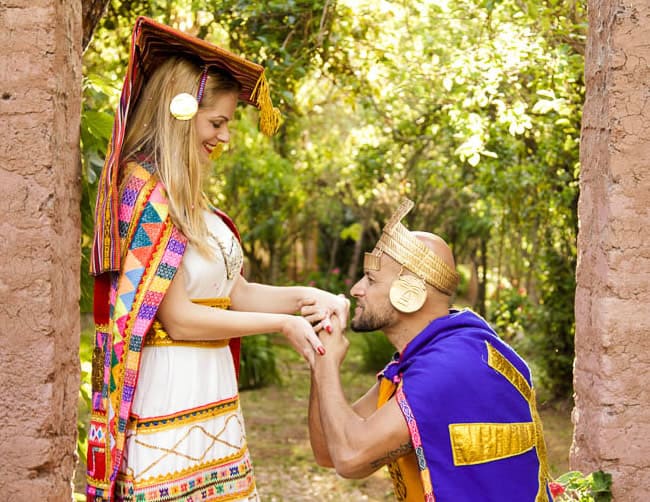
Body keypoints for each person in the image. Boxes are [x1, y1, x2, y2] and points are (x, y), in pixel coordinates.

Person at [86, 17, 346, 502]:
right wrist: (282, 327)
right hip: (168, 400)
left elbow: (236, 293)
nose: (225, 138)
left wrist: (308, 297)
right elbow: (179, 319)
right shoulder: (144, 195)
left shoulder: (195, 203)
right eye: (217, 122)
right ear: (179, 114)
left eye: (228, 124)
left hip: (213, 395)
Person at [307, 199, 554, 501]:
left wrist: (329, 363)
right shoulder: (430, 358)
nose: (356, 289)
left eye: (371, 279)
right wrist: (319, 357)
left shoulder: (449, 368)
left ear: (408, 294)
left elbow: (349, 457)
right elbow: (328, 452)